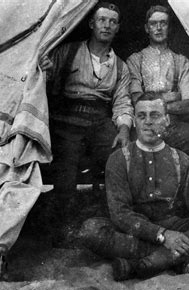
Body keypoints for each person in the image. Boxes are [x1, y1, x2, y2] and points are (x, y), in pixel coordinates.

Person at [78, 92, 189, 281]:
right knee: (91, 230)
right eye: (141, 116)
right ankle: (170, 258)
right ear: (135, 122)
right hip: (133, 229)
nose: (147, 122)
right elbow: (120, 214)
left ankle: (139, 265)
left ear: (167, 120)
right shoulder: (119, 159)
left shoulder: (181, 159)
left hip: (170, 223)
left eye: (155, 115)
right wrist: (164, 236)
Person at [40, 2, 133, 215]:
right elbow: (42, 79)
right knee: (66, 168)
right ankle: (63, 227)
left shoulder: (120, 66)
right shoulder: (67, 51)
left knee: (118, 159)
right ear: (92, 23)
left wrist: (124, 129)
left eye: (112, 22)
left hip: (99, 122)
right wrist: (42, 68)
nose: (107, 25)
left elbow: (122, 102)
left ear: (118, 27)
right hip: (66, 121)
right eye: (102, 20)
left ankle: (114, 217)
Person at [126, 5, 189, 194]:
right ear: (146, 28)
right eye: (153, 24)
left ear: (169, 27)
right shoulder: (135, 60)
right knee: (135, 155)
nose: (158, 28)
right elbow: (136, 99)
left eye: (163, 23)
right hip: (146, 125)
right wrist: (171, 99)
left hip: (173, 125)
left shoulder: (181, 61)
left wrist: (156, 102)